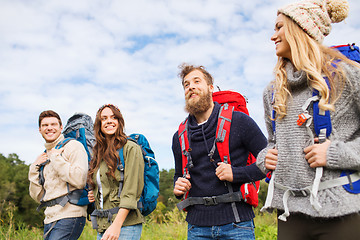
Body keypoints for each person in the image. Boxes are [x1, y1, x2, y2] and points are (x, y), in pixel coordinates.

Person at [256, 0, 360, 239]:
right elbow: (272, 142)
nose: (273, 36)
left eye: (279, 27)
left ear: (301, 28)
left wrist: (334, 153)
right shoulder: (273, 92)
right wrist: (266, 157)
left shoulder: (348, 75)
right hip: (290, 215)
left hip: (342, 213)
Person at [172, 64, 267, 240]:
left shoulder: (239, 121)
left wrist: (237, 173)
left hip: (237, 225)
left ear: (210, 88)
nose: (190, 86)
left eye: (196, 81)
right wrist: (177, 187)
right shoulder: (179, 136)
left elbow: (268, 161)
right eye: (186, 84)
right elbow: (178, 175)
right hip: (196, 228)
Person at [28, 110, 88, 239]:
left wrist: (56, 158)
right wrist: (34, 168)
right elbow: (38, 197)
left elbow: (80, 180)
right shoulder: (44, 156)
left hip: (70, 215)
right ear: (40, 129)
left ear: (61, 127)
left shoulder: (73, 146)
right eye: (45, 125)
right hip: (49, 218)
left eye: (53, 124)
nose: (49, 128)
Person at [87, 104, 144, 240]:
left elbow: (131, 191)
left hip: (125, 225)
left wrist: (116, 225)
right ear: (99, 124)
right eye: (104, 118)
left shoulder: (130, 148)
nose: (109, 121)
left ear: (119, 122)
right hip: (103, 225)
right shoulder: (98, 154)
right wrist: (95, 192)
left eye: (113, 118)